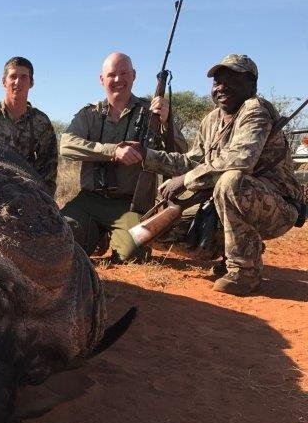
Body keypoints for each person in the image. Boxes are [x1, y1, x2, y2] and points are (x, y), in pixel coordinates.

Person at [131, 54, 305, 295]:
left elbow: (240, 160)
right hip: (222, 202)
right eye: (217, 82)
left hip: (277, 208)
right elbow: (192, 161)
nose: (221, 87)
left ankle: (245, 271)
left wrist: (184, 181)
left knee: (231, 181)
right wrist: (146, 155)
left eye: (232, 80)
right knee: (156, 233)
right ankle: (239, 248)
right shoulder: (211, 119)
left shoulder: (255, 110)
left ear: (252, 85)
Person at [59, 52, 187, 262]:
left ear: (134, 75)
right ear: (102, 79)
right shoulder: (88, 113)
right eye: (112, 75)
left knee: (133, 255)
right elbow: (67, 145)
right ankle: (97, 235)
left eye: (124, 73)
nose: (118, 79)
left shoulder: (151, 111)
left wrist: (166, 122)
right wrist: (113, 152)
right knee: (61, 243)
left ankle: (112, 234)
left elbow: (181, 154)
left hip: (129, 204)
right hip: (89, 200)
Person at [0, 56, 58, 197]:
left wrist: (43, 201)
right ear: (4, 82)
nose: (18, 82)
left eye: (24, 77)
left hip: (27, 195)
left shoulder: (41, 122)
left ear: (31, 83)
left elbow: (49, 170)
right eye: (13, 76)